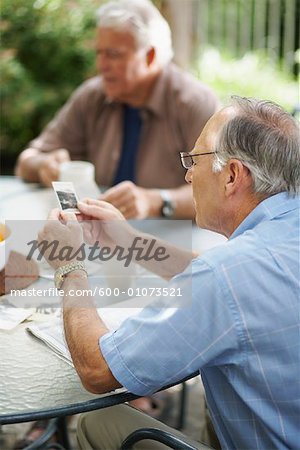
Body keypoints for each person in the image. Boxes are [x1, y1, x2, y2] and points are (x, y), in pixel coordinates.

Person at [36, 96, 299, 449]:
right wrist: (130, 242)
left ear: (233, 176)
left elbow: (97, 371)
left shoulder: (226, 275)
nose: (188, 174)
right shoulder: (274, 240)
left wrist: (69, 266)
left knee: (98, 419)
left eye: (195, 160)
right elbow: (232, 286)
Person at [15, 0, 218, 220]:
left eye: (113, 54)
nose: (101, 65)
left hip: (173, 243)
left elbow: (220, 192)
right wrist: (43, 165)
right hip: (101, 241)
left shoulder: (194, 103)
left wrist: (155, 201)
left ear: (150, 56)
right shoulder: (92, 96)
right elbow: (27, 160)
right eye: (99, 53)